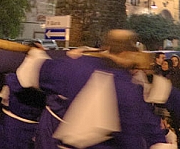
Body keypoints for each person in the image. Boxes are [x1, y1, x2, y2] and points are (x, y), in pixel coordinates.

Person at [16, 28, 171, 149]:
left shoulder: (75, 67)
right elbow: (150, 133)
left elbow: (29, 74)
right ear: (126, 53)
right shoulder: (129, 89)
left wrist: (37, 54)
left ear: (106, 47)